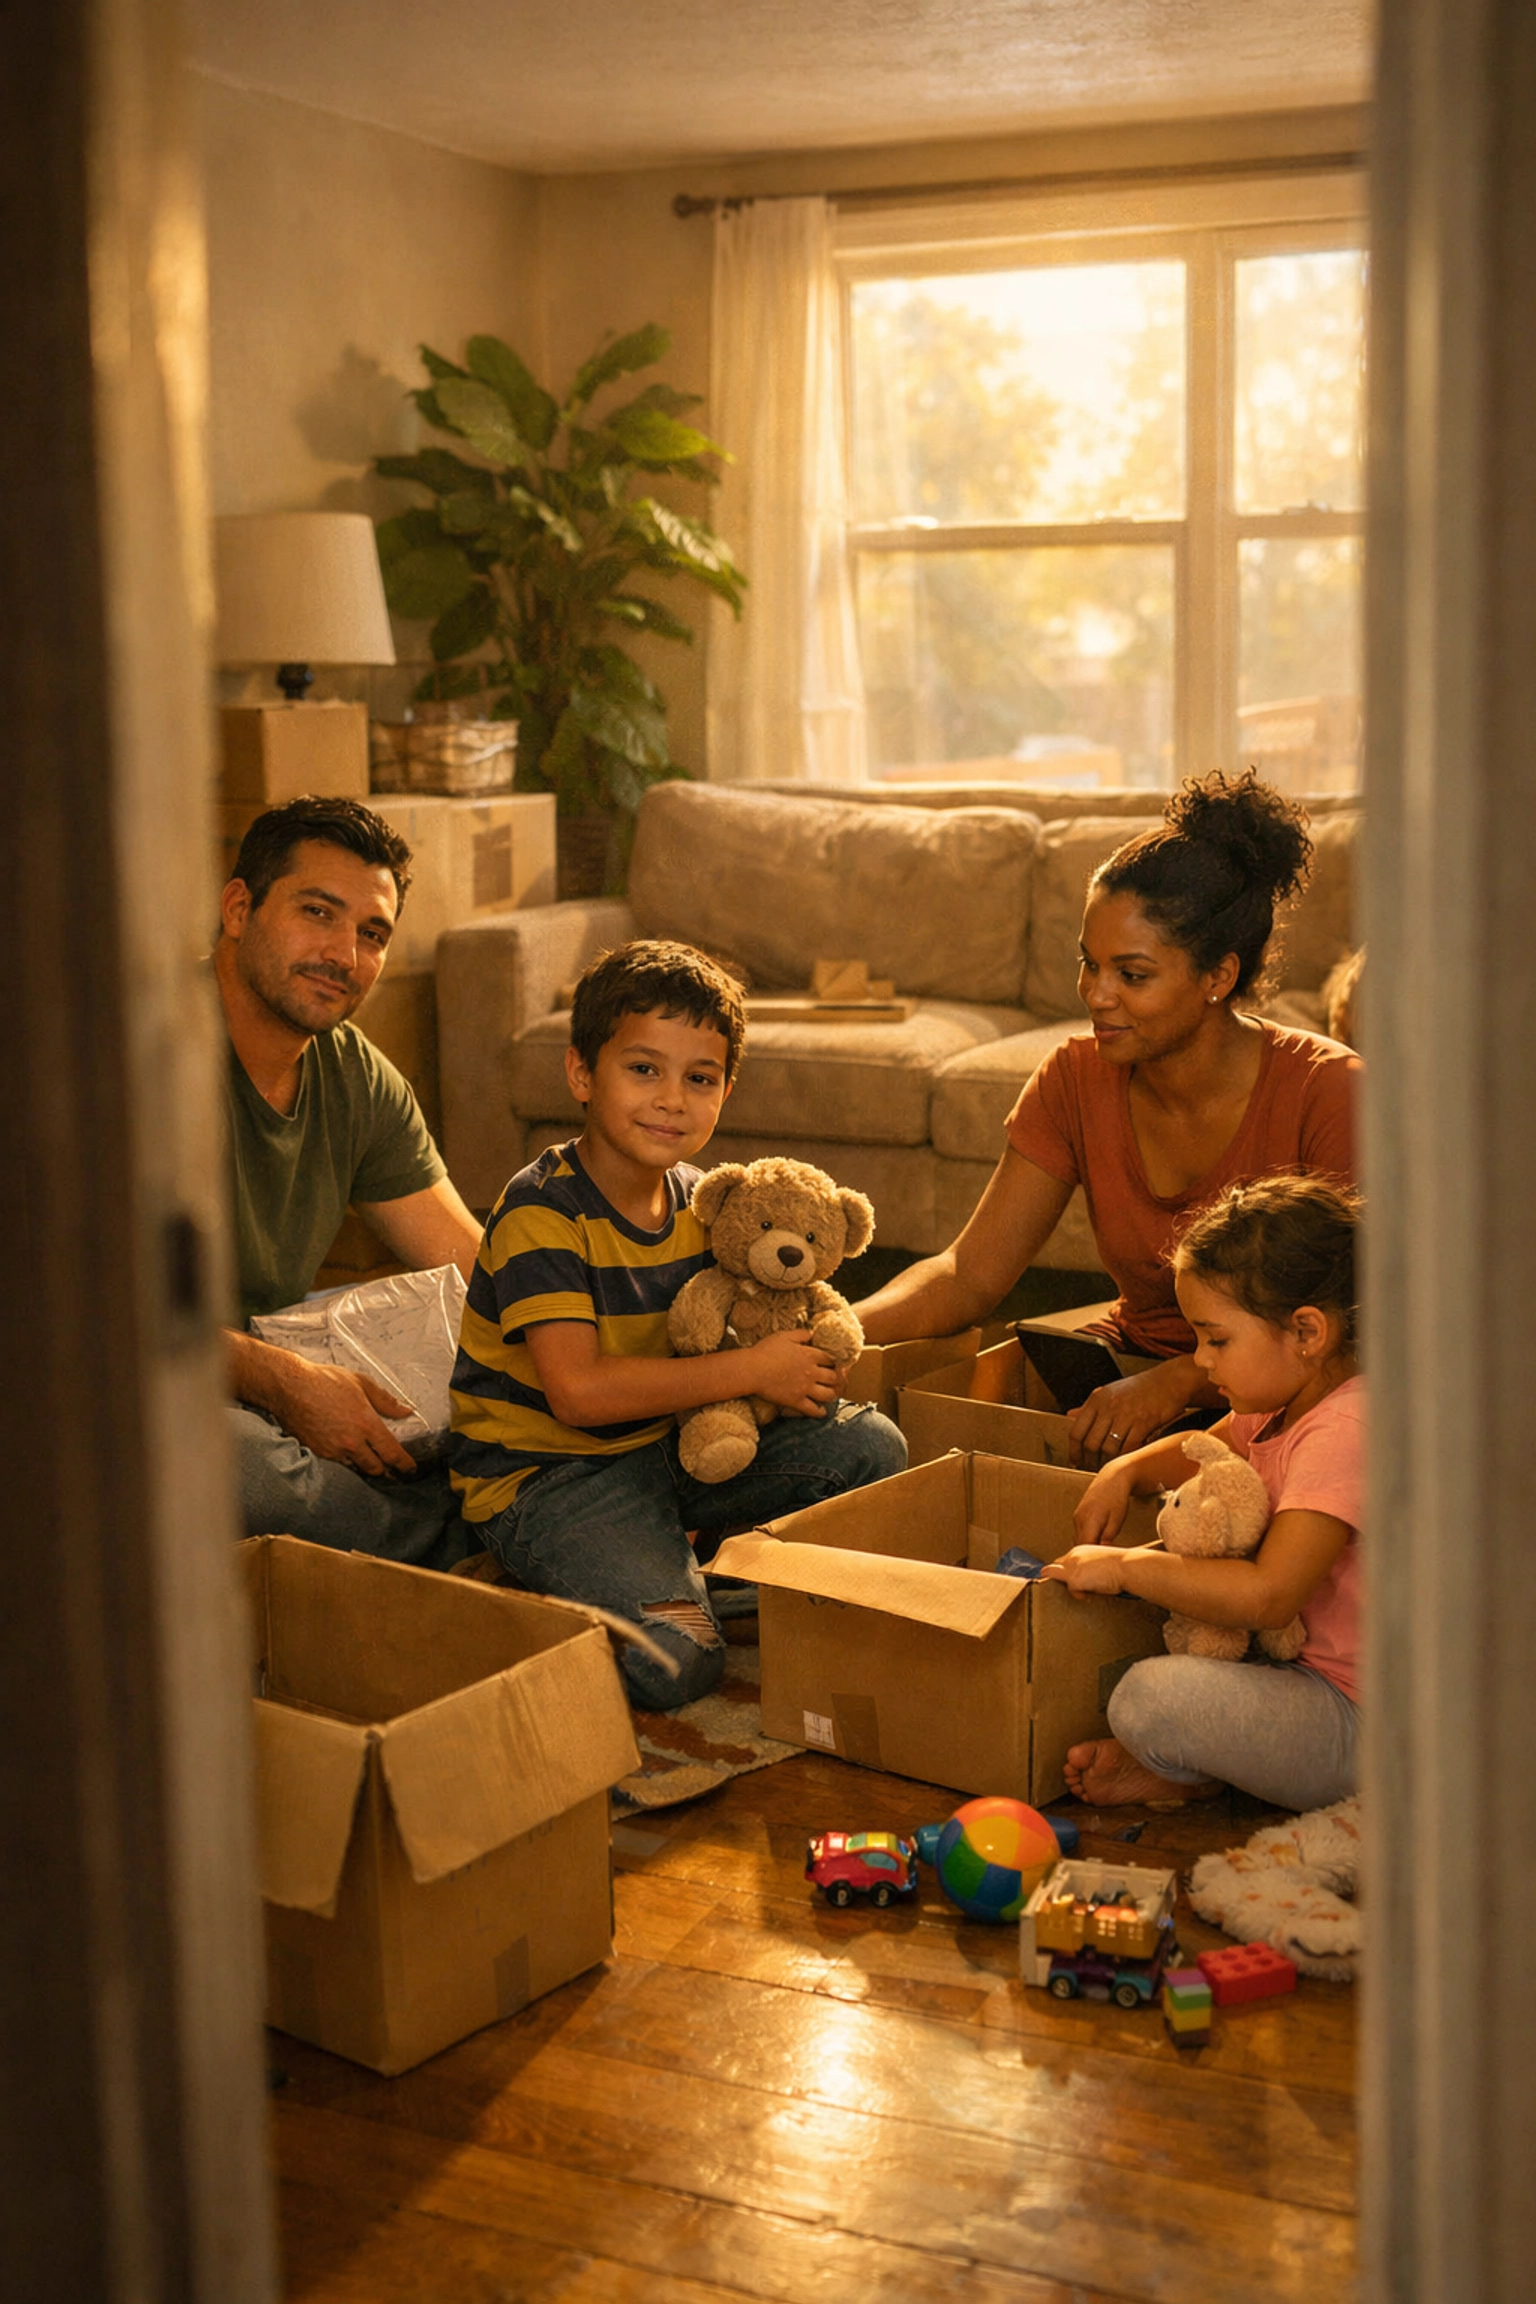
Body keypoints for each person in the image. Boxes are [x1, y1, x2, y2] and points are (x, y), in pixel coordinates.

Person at [447, 939, 907, 1710]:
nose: (671, 1099)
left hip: (671, 1447)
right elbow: (579, 1394)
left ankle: (683, 1574)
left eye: (699, 1079)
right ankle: (550, 1582)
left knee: (872, 1448)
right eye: (643, 1069)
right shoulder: (542, 1212)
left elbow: (751, 1320)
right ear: (581, 1073)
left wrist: (800, 1366)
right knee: (679, 1662)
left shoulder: (706, 1205)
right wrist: (755, 1372)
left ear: (725, 1091)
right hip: (550, 1479)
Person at [853, 771, 1360, 1463]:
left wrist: (1179, 1381)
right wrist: (837, 1327)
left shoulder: (1329, 1092)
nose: (1097, 995)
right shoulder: (1074, 1077)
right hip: (1122, 1374)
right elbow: (968, 1275)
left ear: (1218, 977)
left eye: (1133, 974)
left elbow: (1358, 1331)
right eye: (1089, 964)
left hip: (1292, 1409)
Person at [1045, 1174, 1362, 1812]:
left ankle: (1200, 1773)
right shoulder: (1282, 1399)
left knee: (1144, 1698)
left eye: (1216, 1339)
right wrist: (1125, 1471)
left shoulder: (1348, 1429)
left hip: (1360, 1718)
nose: (1202, 1361)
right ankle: (1204, 1769)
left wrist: (1126, 1565)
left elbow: (1270, 1597)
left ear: (1306, 1332)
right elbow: (1201, 1450)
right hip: (1292, 1672)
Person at [221, 796, 483, 1567]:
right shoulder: (131, 1047)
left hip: (272, 1365)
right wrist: (284, 1383)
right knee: (240, 1474)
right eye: (317, 912)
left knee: (490, 1391)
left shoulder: (353, 1072)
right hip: (126, 1377)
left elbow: (472, 1262)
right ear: (240, 909)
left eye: (372, 934)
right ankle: (466, 1533)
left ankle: (448, 1520)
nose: (345, 954)